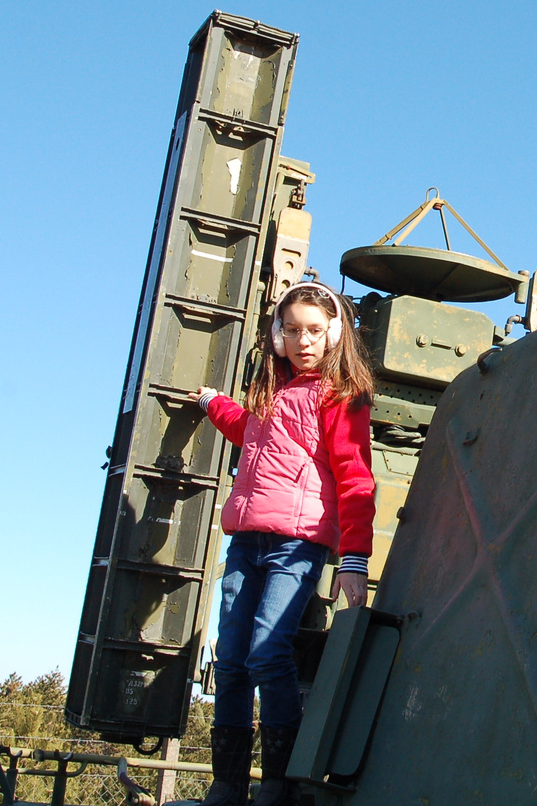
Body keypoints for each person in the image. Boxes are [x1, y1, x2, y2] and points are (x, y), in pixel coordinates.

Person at [195, 282, 377, 806]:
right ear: (277, 336)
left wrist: (354, 560)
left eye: (315, 331)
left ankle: (279, 780)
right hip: (246, 542)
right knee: (229, 661)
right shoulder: (269, 395)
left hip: (296, 546)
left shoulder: (340, 396)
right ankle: (227, 781)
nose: (303, 341)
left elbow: (356, 478)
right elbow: (248, 431)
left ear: (334, 334)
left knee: (268, 653)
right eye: (292, 330)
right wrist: (211, 402)